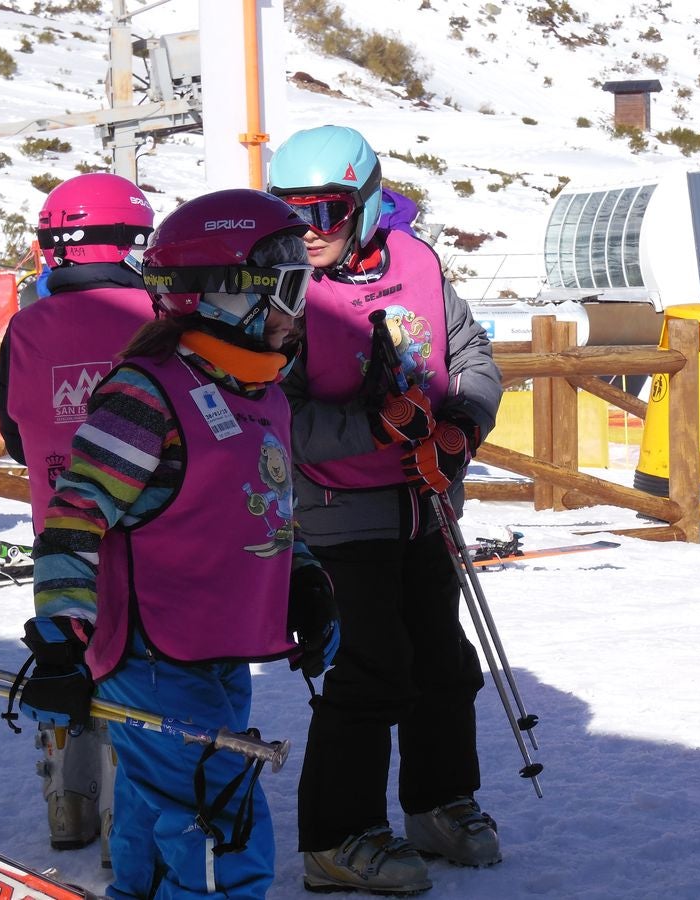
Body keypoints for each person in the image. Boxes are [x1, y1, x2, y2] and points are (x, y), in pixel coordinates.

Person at [13, 189, 340, 899]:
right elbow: (75, 518)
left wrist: (306, 582)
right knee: (216, 816)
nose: (297, 308)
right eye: (286, 288)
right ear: (224, 296)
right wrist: (62, 639)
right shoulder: (147, 395)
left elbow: (265, 511)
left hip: (214, 653)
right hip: (151, 654)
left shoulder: (264, 394)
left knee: (159, 802)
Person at [268, 125, 503, 894]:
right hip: (337, 512)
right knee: (371, 668)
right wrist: (368, 427)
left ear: (366, 206)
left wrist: (461, 428)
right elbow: (277, 416)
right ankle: (337, 837)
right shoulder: (282, 291)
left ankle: (438, 802)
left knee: (442, 661)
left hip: (422, 503)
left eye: (327, 212)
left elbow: (469, 358)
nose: (309, 233)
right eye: (291, 212)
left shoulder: (419, 264)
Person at [0, 172, 156, 865]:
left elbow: (14, 430)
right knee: (133, 667)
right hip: (148, 531)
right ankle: (127, 826)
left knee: (68, 656)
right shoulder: (157, 316)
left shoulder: (25, 326)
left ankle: (68, 802)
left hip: (57, 529)